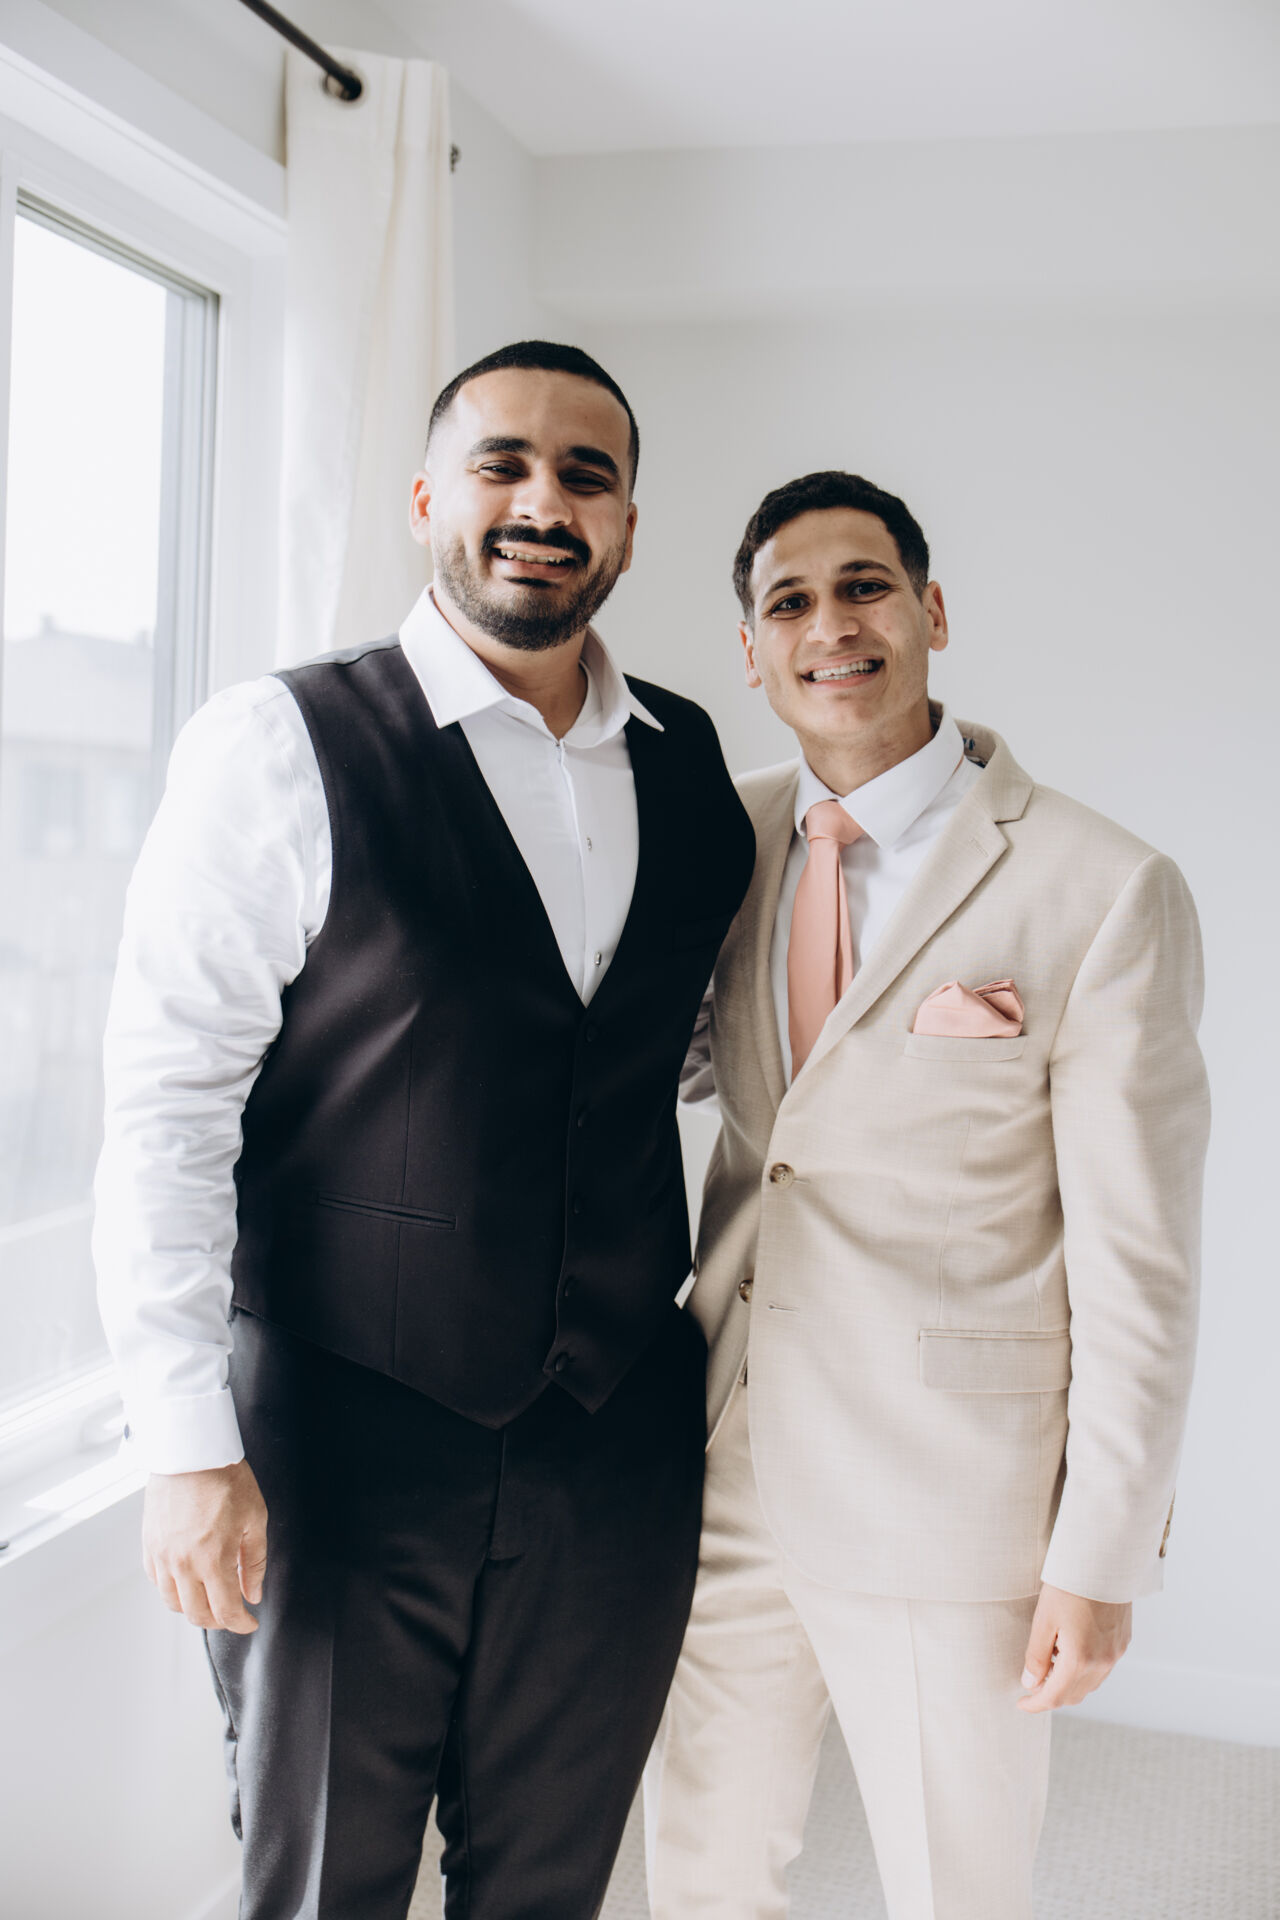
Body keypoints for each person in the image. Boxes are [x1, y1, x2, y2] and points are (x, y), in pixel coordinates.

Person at [94, 340, 755, 1920]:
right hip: (337, 1436)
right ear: (422, 500)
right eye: (501, 464)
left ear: (628, 523)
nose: (542, 502)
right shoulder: (277, 743)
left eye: (585, 475)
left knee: (550, 1883)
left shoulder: (695, 773)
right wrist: (185, 1443)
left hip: (613, 1434)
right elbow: (168, 1105)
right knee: (325, 1881)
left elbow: (682, 1055)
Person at [644, 470, 1208, 1920]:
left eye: (865, 587)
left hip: (952, 1492)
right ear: (753, 653)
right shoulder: (719, 842)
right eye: (790, 603)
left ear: (932, 611)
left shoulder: (1102, 885)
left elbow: (1141, 1261)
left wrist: (1101, 1555)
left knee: (959, 1887)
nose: (831, 625)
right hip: (723, 1455)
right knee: (703, 1868)